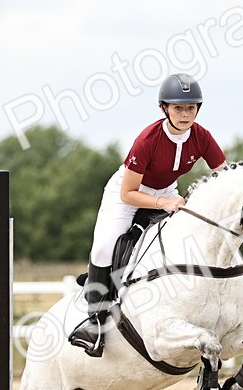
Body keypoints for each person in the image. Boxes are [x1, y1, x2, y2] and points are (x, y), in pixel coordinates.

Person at [68, 73, 228, 357]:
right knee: (105, 247)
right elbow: (128, 193)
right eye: (178, 108)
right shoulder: (148, 139)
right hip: (128, 194)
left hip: (167, 191)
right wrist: (163, 204)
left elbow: (225, 176)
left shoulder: (202, 137)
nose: (185, 114)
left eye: (191, 108)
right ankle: (94, 321)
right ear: (164, 108)